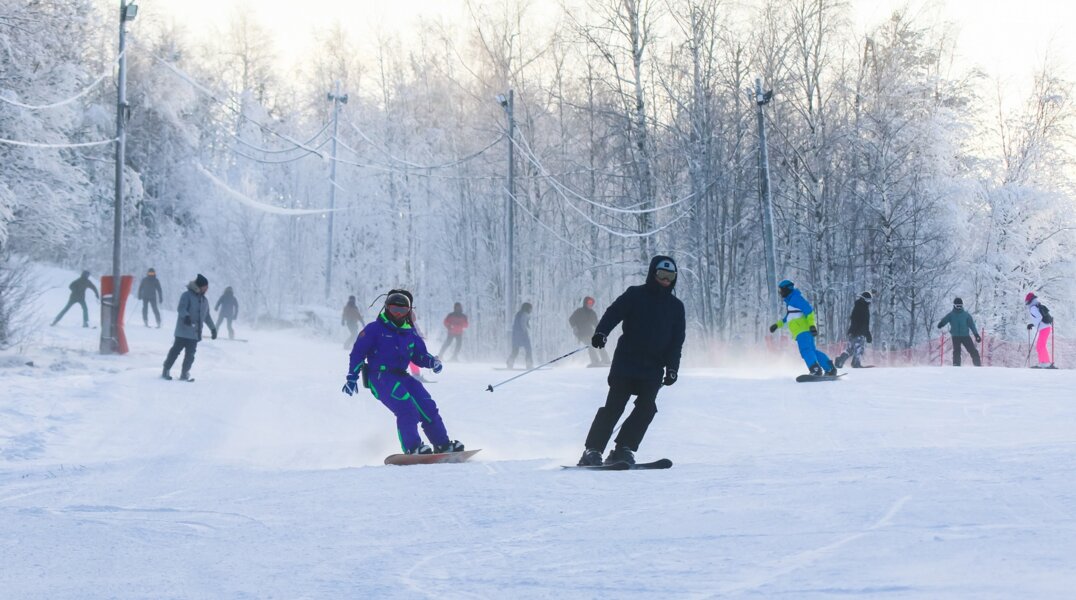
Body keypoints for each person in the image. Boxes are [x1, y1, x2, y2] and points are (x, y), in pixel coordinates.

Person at [577, 256, 685, 467]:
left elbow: (676, 341)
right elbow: (613, 313)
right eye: (662, 274)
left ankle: (623, 448)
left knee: (647, 408)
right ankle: (592, 450)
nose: (665, 280)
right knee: (614, 406)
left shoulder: (676, 307)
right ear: (653, 274)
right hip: (626, 363)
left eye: (670, 276)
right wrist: (601, 332)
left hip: (653, 367)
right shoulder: (635, 295)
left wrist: (672, 368)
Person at [341, 289, 464, 455]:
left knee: (427, 406)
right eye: (394, 310)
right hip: (380, 377)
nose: (398, 314)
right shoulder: (374, 329)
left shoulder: (410, 332)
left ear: (408, 312)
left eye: (403, 310)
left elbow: (419, 355)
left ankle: (442, 444)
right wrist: (352, 378)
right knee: (406, 408)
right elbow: (358, 353)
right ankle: (413, 448)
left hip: (402, 376)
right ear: (387, 308)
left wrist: (431, 362)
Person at [768, 280, 837, 376]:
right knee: (812, 351)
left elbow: (809, 311)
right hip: (802, 331)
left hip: (803, 331)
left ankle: (815, 369)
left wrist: (812, 325)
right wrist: (777, 325)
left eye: (781, 290)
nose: (780, 293)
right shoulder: (791, 301)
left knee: (805, 350)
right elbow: (788, 317)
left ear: (787, 289)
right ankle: (830, 369)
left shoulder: (796, 298)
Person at [162, 274, 217, 381]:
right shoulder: (186, 295)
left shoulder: (204, 301)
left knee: (190, 355)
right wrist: (186, 316)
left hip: (194, 333)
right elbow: (181, 308)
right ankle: (166, 369)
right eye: (205, 287)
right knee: (175, 351)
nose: (206, 289)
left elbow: (207, 316)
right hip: (183, 331)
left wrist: (213, 329)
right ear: (200, 286)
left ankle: (184, 373)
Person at [936, 297, 981, 367]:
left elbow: (972, 325)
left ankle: (978, 365)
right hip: (955, 336)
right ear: (954, 306)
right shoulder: (951, 315)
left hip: (965, 336)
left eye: (960, 306)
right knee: (956, 351)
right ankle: (956, 365)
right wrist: (941, 324)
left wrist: (976, 335)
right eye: (957, 306)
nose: (959, 308)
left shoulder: (966, 315)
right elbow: (945, 320)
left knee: (972, 350)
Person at [834, 291, 873, 368]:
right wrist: (866, 334)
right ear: (863, 299)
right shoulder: (862, 308)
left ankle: (840, 360)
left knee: (850, 349)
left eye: (870, 300)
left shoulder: (859, 306)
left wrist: (854, 331)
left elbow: (858, 321)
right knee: (859, 348)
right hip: (858, 332)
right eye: (867, 300)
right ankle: (856, 363)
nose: (869, 302)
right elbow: (863, 322)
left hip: (854, 331)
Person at [569, 296, 610, 366]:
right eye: (589, 303)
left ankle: (606, 361)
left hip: (591, 333)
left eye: (592, 303)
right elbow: (571, 319)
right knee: (591, 344)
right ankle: (595, 361)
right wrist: (575, 328)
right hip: (582, 334)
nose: (591, 304)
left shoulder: (592, 313)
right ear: (585, 303)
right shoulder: (579, 311)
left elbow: (596, 324)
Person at [1025, 292, 1056, 368]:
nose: (1026, 303)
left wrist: (1032, 324)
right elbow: (1040, 317)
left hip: (1044, 328)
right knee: (1040, 345)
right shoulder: (1037, 305)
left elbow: (1039, 317)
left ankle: (1045, 363)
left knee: (1040, 345)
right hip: (1045, 327)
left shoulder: (1033, 308)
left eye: (1027, 301)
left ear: (1030, 301)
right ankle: (1044, 362)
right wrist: (1033, 324)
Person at [507, 302, 534, 369]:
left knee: (515, 350)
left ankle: (510, 362)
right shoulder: (525, 314)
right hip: (522, 335)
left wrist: (527, 324)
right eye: (530, 308)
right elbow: (522, 323)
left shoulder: (519, 314)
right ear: (527, 308)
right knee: (528, 349)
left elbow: (519, 322)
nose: (531, 310)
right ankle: (529, 364)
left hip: (515, 335)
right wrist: (525, 331)